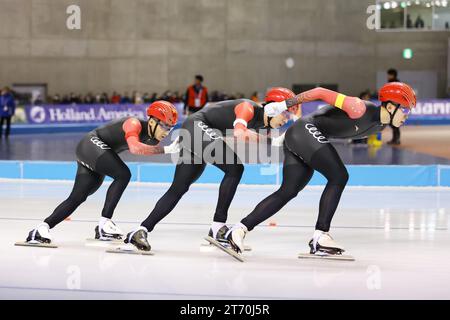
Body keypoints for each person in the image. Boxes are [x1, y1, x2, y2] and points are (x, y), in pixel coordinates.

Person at [225, 82, 416, 257]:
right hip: (305, 131)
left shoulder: (380, 126)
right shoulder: (358, 107)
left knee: (288, 191)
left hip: (301, 136)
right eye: (405, 109)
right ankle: (320, 236)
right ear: (391, 106)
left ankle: (239, 230)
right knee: (339, 176)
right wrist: (284, 105)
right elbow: (320, 92)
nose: (407, 115)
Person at [124, 88, 300, 252]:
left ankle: (140, 231)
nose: (286, 119)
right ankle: (217, 227)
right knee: (235, 169)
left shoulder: (266, 125)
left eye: (289, 115)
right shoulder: (248, 108)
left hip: (196, 131)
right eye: (285, 113)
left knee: (178, 188)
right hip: (197, 126)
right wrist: (272, 142)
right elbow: (240, 133)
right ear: (271, 108)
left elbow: (261, 137)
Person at [24, 101, 181, 245]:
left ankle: (40, 229)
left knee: (77, 197)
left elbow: (142, 150)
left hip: (96, 152)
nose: (167, 132)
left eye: (171, 127)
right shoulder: (133, 124)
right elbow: (134, 148)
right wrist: (167, 150)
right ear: (152, 121)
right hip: (91, 144)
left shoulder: (154, 139)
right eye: (165, 126)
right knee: (123, 174)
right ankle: (105, 223)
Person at [387, 68, 401, 145]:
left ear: (393, 75)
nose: (388, 76)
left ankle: (397, 139)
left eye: (389, 74)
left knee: (395, 122)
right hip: (392, 105)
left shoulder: (396, 83)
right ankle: (395, 139)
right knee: (392, 122)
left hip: (395, 105)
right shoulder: (391, 82)